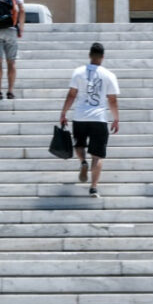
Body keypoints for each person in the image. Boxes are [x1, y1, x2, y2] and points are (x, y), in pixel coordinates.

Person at [59, 42, 120, 199]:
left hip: (80, 116)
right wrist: (116, 118)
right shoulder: (109, 75)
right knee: (98, 155)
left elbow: (72, 94)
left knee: (79, 145)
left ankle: (83, 162)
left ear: (89, 55)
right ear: (103, 57)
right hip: (99, 118)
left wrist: (64, 112)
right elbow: (112, 100)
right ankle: (93, 188)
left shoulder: (78, 72)